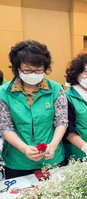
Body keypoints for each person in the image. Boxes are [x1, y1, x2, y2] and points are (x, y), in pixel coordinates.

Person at [0, 40, 68, 179]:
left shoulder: (55, 89)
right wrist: (24, 148)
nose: (33, 74)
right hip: (18, 162)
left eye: (38, 70)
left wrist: (53, 145)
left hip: (52, 158)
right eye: (27, 70)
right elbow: (5, 127)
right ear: (17, 68)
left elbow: (61, 121)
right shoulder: (4, 92)